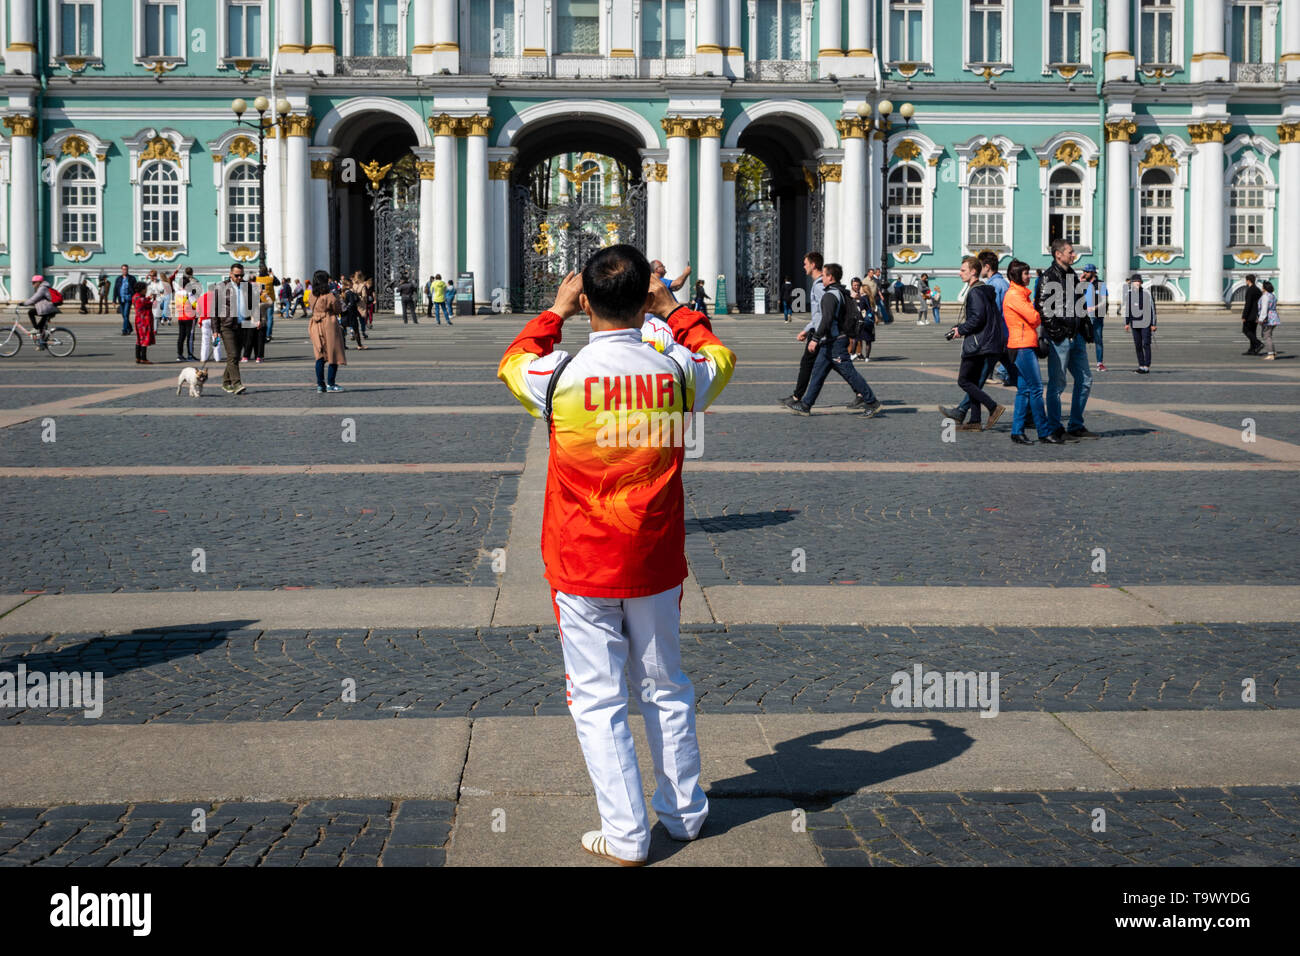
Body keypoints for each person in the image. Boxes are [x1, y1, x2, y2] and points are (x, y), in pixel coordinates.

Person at [497, 245, 735, 866]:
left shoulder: (561, 376)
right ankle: (684, 814)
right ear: (644, 298)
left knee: (598, 697)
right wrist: (676, 308)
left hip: (581, 559)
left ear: (586, 301)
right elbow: (720, 356)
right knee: (665, 685)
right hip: (653, 555)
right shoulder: (678, 370)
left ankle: (626, 832)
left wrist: (553, 312)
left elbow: (514, 361)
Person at [790, 263, 882, 417]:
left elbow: (826, 319)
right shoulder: (841, 292)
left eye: (824, 275)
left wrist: (815, 339)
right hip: (829, 343)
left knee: (850, 373)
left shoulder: (830, 296)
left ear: (830, 277)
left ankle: (872, 402)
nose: (822, 278)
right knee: (818, 372)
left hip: (836, 342)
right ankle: (806, 404)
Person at [1034, 238, 1093, 441]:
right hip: (1060, 339)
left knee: (1085, 380)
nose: (1073, 254)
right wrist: (1058, 333)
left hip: (1076, 337)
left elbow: (1079, 303)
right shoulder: (1049, 277)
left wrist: (1085, 327)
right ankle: (1055, 427)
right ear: (1058, 254)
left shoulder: (1072, 275)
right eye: (1070, 251)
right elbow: (1042, 308)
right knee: (1057, 385)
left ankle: (1076, 424)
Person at [946, 256, 1007, 431]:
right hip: (986, 342)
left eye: (963, 270)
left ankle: (993, 407)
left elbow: (977, 319)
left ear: (974, 272)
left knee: (964, 381)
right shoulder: (983, 290)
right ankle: (974, 420)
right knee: (972, 381)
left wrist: (960, 330)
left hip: (977, 344)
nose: (960, 273)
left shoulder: (975, 292)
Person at [1002, 259, 1057, 444]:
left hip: (1022, 344)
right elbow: (1034, 318)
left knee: (1024, 390)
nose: (1029, 276)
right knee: (1036, 389)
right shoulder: (1014, 295)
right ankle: (1044, 431)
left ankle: (1017, 431)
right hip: (1022, 346)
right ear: (1017, 275)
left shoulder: (1020, 294)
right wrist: (1036, 312)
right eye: (1026, 273)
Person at [780, 252, 825, 409]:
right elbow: (819, 314)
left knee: (809, 364)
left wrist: (815, 336)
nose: (803, 266)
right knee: (838, 366)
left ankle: (798, 398)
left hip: (821, 333)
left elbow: (825, 313)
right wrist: (806, 330)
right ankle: (797, 396)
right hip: (819, 331)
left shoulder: (819, 286)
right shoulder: (818, 285)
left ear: (813, 265)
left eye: (805, 263)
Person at [212, 264, 254, 394]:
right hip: (227, 325)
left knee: (234, 357)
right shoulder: (221, 287)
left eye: (242, 275)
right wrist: (215, 330)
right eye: (237, 275)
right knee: (233, 354)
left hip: (242, 325)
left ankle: (225, 382)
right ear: (230, 274)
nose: (239, 277)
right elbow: (214, 310)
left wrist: (254, 318)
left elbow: (252, 304)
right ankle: (237, 384)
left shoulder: (247, 286)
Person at [1122, 273, 1156, 374]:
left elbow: (1152, 309)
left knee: (1146, 344)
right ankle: (1141, 365)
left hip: (1145, 322)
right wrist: (1127, 323)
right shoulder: (1130, 294)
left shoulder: (1146, 293)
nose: (1135, 283)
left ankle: (1146, 366)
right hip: (1134, 323)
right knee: (1138, 345)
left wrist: (1153, 324)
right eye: (1133, 282)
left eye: (1136, 281)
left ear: (1140, 282)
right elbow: (1128, 309)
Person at [1078, 263, 1105, 371]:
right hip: (1085, 317)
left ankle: (1099, 363)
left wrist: (1094, 307)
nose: (1084, 273)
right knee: (1082, 340)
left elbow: (1104, 301)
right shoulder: (1083, 284)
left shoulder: (1101, 284)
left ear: (1093, 273)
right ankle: (1081, 362)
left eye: (1087, 272)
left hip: (1097, 316)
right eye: (1084, 271)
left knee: (1098, 340)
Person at [21, 276, 59, 349]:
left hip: (48, 310)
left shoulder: (42, 288)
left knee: (31, 312)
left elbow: (34, 299)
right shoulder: (43, 287)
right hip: (48, 309)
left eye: (34, 282)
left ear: (39, 282)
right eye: (32, 283)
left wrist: (24, 303)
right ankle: (42, 344)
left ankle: (35, 329)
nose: (33, 284)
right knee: (41, 327)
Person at [849, 276, 875, 360]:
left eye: (858, 285)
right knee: (857, 339)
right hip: (857, 319)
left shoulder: (863, 297)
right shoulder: (851, 294)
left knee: (857, 338)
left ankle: (856, 354)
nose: (856, 287)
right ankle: (859, 354)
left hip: (861, 319)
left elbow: (862, 307)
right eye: (854, 285)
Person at [1240, 274, 1265, 355]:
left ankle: (1258, 343)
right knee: (1252, 332)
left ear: (1248, 280)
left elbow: (1248, 304)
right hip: (1256, 314)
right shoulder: (1257, 290)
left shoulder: (1250, 290)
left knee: (1246, 330)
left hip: (1250, 315)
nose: (1246, 282)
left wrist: (1244, 316)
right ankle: (1252, 349)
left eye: (1246, 280)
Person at [341, 277, 367, 349]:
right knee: (356, 330)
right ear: (349, 285)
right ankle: (359, 345)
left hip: (343, 314)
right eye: (351, 283)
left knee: (343, 330)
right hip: (351, 314)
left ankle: (343, 345)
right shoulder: (350, 293)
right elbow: (353, 302)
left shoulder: (342, 293)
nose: (353, 284)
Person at [132, 281, 155, 364]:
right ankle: (143, 358)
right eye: (145, 289)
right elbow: (151, 304)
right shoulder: (142, 299)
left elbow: (144, 301)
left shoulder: (135, 297)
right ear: (142, 289)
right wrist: (155, 299)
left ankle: (137, 357)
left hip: (138, 320)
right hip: (144, 320)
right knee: (145, 339)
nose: (146, 290)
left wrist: (149, 297)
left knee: (139, 339)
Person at [1257, 279, 1279, 360]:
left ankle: (1271, 354)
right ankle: (1273, 352)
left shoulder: (1265, 296)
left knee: (1266, 336)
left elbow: (1264, 308)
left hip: (1268, 318)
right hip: (1274, 317)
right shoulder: (1272, 295)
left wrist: (1261, 319)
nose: (1261, 288)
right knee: (1268, 335)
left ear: (1264, 288)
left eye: (1262, 287)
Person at [113, 264, 137, 335]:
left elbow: (135, 289)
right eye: (123, 269)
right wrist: (114, 300)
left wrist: (135, 299)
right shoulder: (118, 279)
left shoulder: (132, 278)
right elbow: (115, 289)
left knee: (126, 315)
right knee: (124, 315)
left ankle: (124, 330)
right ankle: (130, 328)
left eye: (126, 269)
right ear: (121, 270)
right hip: (121, 299)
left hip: (128, 299)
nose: (124, 271)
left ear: (127, 270)